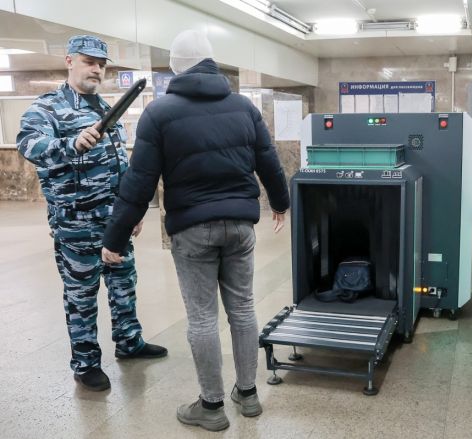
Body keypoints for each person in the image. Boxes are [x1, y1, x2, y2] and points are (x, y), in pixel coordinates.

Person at [102, 29, 290, 432]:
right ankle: (249, 394)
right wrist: (281, 202)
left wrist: (114, 237)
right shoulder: (243, 107)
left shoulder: (160, 113)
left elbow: (139, 181)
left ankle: (211, 405)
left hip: (192, 230)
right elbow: (268, 160)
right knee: (242, 309)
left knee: (203, 318)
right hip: (241, 226)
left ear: (176, 69)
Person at [16, 35, 168, 392]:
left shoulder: (105, 109)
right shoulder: (47, 108)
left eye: (101, 64)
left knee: (123, 286)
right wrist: (69, 143)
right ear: (70, 61)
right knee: (81, 296)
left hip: (114, 221)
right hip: (76, 224)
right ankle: (86, 363)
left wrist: (132, 209)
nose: (97, 69)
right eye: (89, 61)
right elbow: (28, 145)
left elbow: (121, 163)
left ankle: (130, 342)